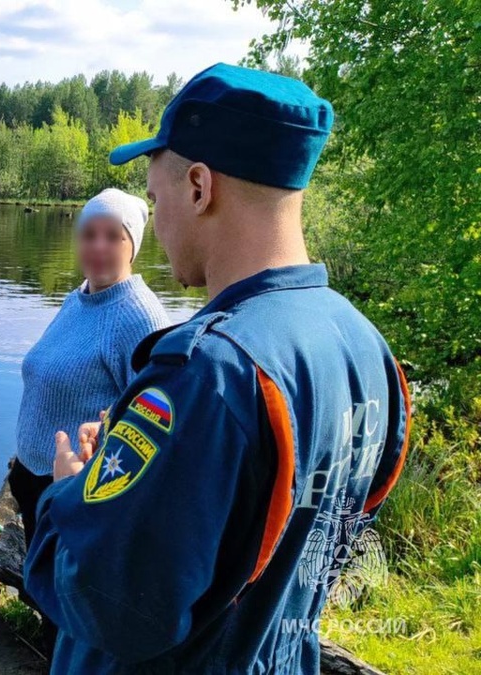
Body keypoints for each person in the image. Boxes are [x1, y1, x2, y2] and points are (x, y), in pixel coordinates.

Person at [24, 63, 410, 674]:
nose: (159, 226)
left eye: (156, 199)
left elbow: (108, 603)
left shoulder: (207, 370)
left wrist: (71, 490)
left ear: (200, 187)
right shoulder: (366, 349)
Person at [9, 187, 169, 647]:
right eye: (89, 234)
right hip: (36, 474)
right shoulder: (79, 298)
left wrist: (104, 432)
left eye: (112, 237)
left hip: (79, 487)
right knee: (46, 593)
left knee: (71, 602)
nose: (98, 247)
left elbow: (155, 413)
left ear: (133, 245)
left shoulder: (139, 316)